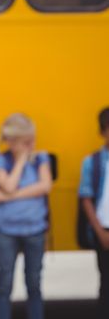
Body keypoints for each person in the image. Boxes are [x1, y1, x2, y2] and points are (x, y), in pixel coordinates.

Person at [0, 113, 53, 319]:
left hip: (35, 229)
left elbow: (45, 185)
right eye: (24, 141)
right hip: (7, 231)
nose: (30, 144)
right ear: (11, 141)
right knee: (5, 281)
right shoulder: (0, 161)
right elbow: (7, 184)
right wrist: (20, 161)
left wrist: (9, 198)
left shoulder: (41, 158)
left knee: (34, 281)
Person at [78, 107, 109, 319]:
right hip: (104, 230)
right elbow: (86, 198)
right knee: (106, 283)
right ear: (102, 132)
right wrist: (100, 232)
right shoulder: (93, 162)